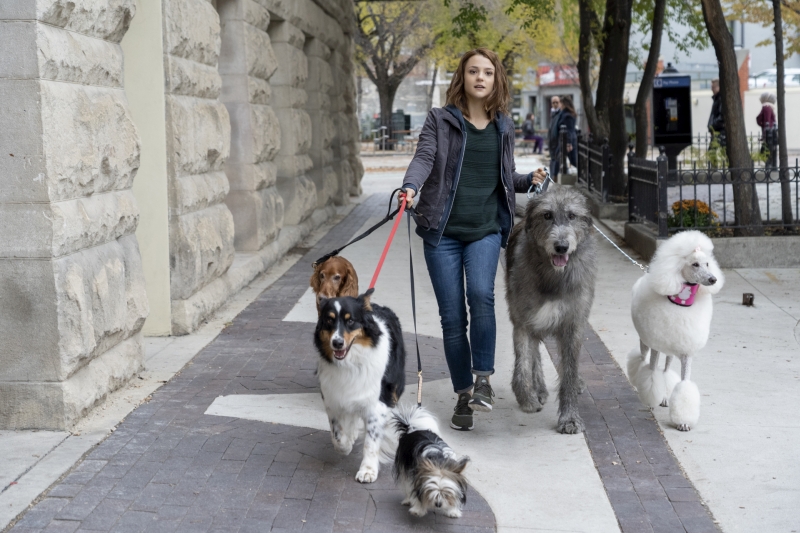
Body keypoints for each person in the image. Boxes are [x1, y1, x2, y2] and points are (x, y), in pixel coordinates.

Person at [399, 48, 547, 431]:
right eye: (472, 71)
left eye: (487, 72)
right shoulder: (440, 120)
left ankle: (483, 380)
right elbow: (424, 158)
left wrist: (526, 180)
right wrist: (411, 187)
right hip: (442, 232)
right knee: (452, 319)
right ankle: (463, 394)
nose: (480, 78)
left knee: (481, 294)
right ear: (461, 78)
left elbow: (504, 176)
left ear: (496, 79)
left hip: (484, 229)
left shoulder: (504, 126)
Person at [549, 95, 577, 178]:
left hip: (566, 141)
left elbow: (569, 130)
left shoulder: (567, 115)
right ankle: (555, 177)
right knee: (559, 159)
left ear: (564, 104)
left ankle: (556, 177)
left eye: (559, 103)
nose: (558, 105)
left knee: (573, 161)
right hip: (561, 141)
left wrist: (568, 143)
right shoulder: (562, 114)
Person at [708, 79, 725, 146]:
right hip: (717, 132)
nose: (712, 89)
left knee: (712, 153)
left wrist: (713, 125)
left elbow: (722, 116)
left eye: (713, 87)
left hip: (719, 133)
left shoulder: (720, 99)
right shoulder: (717, 99)